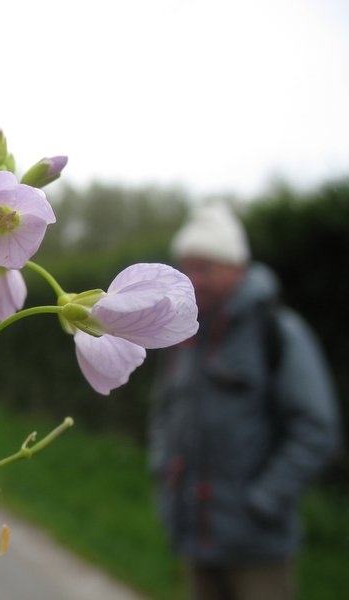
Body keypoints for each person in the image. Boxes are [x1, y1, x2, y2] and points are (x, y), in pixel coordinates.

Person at [149, 201, 342, 600]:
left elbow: (316, 429)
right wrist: (164, 475)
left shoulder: (278, 331)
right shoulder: (183, 336)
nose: (192, 279)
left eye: (205, 267)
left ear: (237, 267)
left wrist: (263, 500)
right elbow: (164, 413)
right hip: (194, 535)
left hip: (257, 546)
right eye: (186, 266)